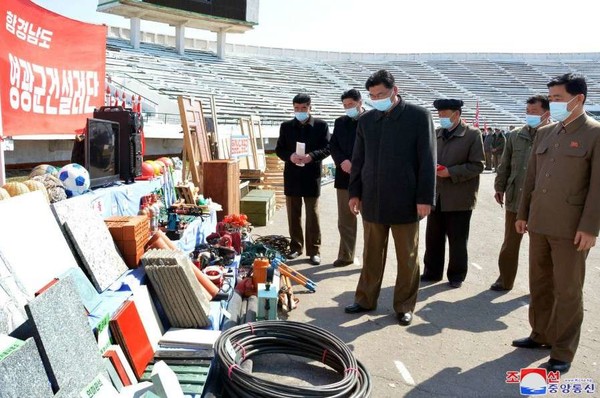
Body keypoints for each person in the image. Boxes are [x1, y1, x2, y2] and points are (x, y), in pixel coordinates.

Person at [513, 73, 600, 373]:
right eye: (551, 98)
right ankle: (541, 334)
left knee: (568, 290)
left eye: (559, 98)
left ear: (579, 99)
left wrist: (590, 228)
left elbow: (598, 187)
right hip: (539, 223)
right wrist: (523, 214)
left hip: (571, 229)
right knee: (539, 284)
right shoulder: (545, 133)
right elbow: (531, 180)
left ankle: (563, 350)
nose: (554, 103)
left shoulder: (595, 133)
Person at [344, 69, 436, 326]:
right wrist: (355, 193)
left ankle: (404, 305)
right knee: (372, 252)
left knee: (407, 256)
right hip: (372, 199)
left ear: (395, 90)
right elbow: (359, 160)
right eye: (372, 95)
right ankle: (365, 299)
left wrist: (425, 198)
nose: (377, 98)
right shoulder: (366, 121)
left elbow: (427, 161)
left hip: (407, 201)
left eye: (381, 94)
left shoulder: (418, 117)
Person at [422, 99, 485, 288]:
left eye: (445, 115)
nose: (441, 118)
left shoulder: (472, 135)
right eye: (439, 115)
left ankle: (457, 275)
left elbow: (478, 165)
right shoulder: (437, 134)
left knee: (457, 239)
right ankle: (432, 272)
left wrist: (451, 172)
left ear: (456, 114)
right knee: (433, 237)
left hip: (459, 197)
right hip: (437, 195)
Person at [490, 95, 550, 291]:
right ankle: (504, 280)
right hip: (516, 197)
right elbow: (504, 164)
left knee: (541, 249)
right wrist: (499, 187)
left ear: (546, 114)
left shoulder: (555, 136)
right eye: (527, 112)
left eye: (534, 112)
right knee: (510, 243)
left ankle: (539, 289)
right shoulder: (515, 135)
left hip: (541, 202)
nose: (529, 116)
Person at [275, 93, 330, 265]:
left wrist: (311, 156)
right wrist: (290, 156)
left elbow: (328, 148)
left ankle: (314, 250)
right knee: (293, 214)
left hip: (311, 175)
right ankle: (295, 247)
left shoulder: (321, 126)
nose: (300, 111)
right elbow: (279, 149)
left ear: (310, 107)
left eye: (303, 108)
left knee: (312, 214)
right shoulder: (286, 126)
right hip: (292, 175)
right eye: (297, 108)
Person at [329, 89, 365, 267]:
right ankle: (346, 254)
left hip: (367, 177)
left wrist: (356, 165)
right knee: (345, 219)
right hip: (344, 177)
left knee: (371, 222)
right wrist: (342, 161)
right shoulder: (340, 122)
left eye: (351, 104)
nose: (348, 108)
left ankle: (371, 258)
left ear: (360, 102)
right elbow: (333, 145)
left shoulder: (372, 120)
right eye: (345, 105)